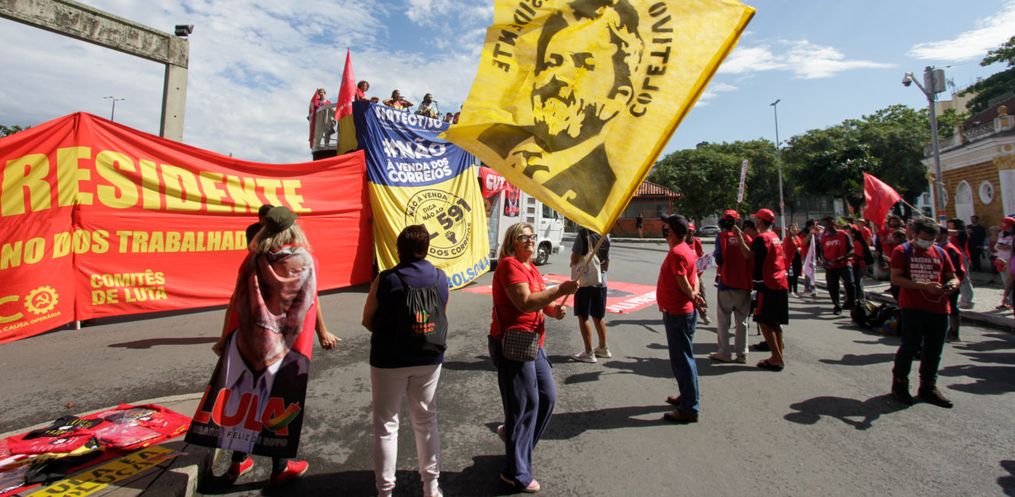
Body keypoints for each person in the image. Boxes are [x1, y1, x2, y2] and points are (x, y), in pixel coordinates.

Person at [191, 206, 339, 487]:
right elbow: (310, 302)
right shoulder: (305, 261)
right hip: (284, 346)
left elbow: (237, 301)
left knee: (245, 400)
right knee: (278, 402)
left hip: (248, 342)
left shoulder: (253, 260)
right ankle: (279, 468)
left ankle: (237, 463)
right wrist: (319, 332)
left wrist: (225, 338)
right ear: (293, 229)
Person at [473, 0, 644, 219]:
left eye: (583, 64)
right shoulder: (491, 138)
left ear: (617, 97)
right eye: (552, 62)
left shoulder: (601, 193)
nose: (557, 77)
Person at [489, 223, 578, 493]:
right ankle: (515, 472)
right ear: (512, 241)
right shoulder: (509, 265)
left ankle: (515, 442)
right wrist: (560, 290)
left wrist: (553, 310)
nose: (530, 240)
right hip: (513, 343)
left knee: (547, 398)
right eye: (524, 237)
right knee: (526, 404)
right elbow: (525, 302)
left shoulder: (531, 267)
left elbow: (540, 301)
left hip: (533, 344)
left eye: (532, 237)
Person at [361, 225, 449, 497]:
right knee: (426, 421)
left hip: (388, 359)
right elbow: (441, 316)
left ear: (398, 250)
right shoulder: (441, 277)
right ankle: (431, 487)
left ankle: (385, 491)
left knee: (387, 426)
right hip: (429, 357)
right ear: (427, 250)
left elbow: (367, 320)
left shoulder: (386, 279)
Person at [890, 218, 959, 408]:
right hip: (913, 307)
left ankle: (928, 386)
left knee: (934, 350)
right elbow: (896, 279)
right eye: (924, 238)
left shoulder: (940, 252)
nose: (927, 242)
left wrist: (951, 285)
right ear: (914, 234)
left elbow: (952, 277)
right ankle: (900, 385)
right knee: (909, 347)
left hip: (939, 308)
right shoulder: (902, 251)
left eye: (931, 239)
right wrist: (924, 286)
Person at [658, 214, 705, 423]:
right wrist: (695, 294)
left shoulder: (677, 252)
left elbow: (682, 280)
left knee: (682, 360)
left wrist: (693, 295)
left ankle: (689, 407)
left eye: (666, 227)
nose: (664, 230)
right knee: (684, 358)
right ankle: (687, 395)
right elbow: (695, 278)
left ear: (672, 231)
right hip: (681, 312)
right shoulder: (686, 249)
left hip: (678, 313)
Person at [733, 209, 789, 371]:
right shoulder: (774, 236)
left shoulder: (762, 238)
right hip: (780, 282)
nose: (755, 221)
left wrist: (739, 237)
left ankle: (776, 357)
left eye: (757, 219)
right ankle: (778, 356)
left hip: (767, 284)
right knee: (775, 322)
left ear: (760, 221)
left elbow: (747, 255)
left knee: (764, 321)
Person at [711, 210, 751, 363]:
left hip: (726, 283)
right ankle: (742, 354)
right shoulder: (746, 238)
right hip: (744, 283)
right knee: (742, 321)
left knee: (723, 320)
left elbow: (719, 259)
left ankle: (724, 352)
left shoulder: (721, 237)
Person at [569, 227, 611, 363]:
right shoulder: (605, 234)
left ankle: (588, 352)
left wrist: (572, 261)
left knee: (583, 315)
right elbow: (607, 260)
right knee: (598, 316)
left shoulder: (583, 234)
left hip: (585, 281)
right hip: (601, 280)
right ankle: (603, 347)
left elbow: (575, 258)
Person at [820, 217, 855, 315]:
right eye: (826, 224)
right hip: (830, 267)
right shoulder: (824, 238)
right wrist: (824, 261)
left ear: (834, 223)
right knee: (832, 286)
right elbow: (822, 252)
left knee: (850, 284)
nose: (827, 226)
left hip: (844, 264)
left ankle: (850, 302)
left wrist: (843, 257)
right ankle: (837, 306)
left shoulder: (843, 234)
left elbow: (852, 249)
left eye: (829, 223)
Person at [936, 226, 965, 341]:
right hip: (939, 282)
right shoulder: (938, 248)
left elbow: (955, 270)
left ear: (943, 235)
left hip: (949, 283)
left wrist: (952, 282)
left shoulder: (950, 250)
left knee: (952, 307)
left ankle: (954, 332)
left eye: (937, 233)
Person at [948, 219, 974, 309]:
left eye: (950, 223)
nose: (949, 225)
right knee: (960, 278)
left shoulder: (961, 232)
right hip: (956, 255)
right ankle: (964, 299)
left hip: (961, 255)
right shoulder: (955, 233)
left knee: (964, 278)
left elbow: (946, 232)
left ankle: (968, 300)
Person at [687, 223, 710, 325]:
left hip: (696, 274)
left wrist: (702, 265)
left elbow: (701, 255)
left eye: (691, 231)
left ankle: (703, 314)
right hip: (685, 275)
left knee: (701, 292)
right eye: (688, 231)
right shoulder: (681, 243)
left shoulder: (696, 241)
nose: (689, 233)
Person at [785, 223, 802, 297]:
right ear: (789, 230)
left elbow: (801, 245)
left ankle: (795, 290)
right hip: (791, 260)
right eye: (792, 228)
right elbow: (786, 249)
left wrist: (800, 249)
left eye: (795, 228)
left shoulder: (798, 237)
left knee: (796, 275)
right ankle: (790, 291)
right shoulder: (788, 238)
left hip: (798, 258)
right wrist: (795, 249)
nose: (794, 229)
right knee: (791, 275)